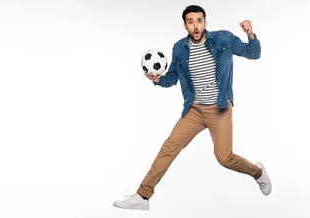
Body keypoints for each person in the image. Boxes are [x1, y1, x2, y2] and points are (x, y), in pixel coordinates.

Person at [113, 5, 271, 210]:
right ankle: (142, 197)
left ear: (205, 23)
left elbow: (254, 53)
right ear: (185, 25)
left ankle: (257, 172)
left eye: (199, 21)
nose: (195, 26)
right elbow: (173, 79)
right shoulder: (179, 48)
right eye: (190, 22)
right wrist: (157, 79)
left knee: (225, 158)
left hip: (220, 108)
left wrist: (250, 34)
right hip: (194, 110)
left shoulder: (224, 39)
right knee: (168, 148)